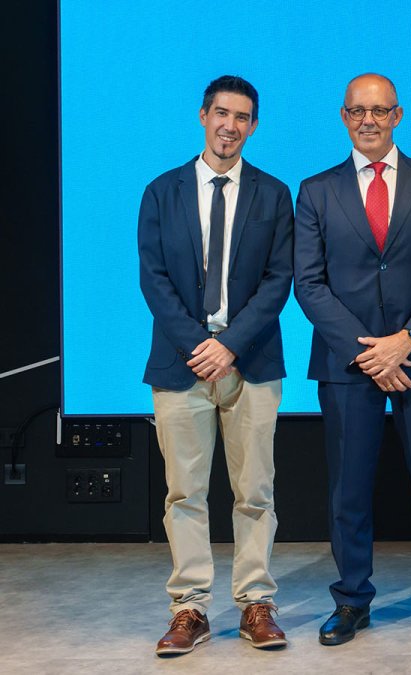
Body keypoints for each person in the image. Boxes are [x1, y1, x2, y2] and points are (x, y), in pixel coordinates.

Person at [293, 73, 411, 646]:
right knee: (348, 488)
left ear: (398, 116)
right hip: (348, 365)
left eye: (380, 111)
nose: (368, 120)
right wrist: (370, 352)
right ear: (344, 116)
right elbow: (310, 285)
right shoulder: (316, 190)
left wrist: (407, 340)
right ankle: (351, 601)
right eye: (357, 111)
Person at [138, 75, 293, 655]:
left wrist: (230, 345)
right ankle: (191, 609)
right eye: (221, 113)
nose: (230, 125)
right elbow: (153, 279)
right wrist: (197, 346)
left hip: (251, 362)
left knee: (255, 490)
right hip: (180, 365)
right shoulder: (161, 191)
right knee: (185, 493)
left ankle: (256, 602)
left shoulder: (274, 195)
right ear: (203, 116)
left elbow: (280, 279)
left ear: (253, 126)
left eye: (243, 117)